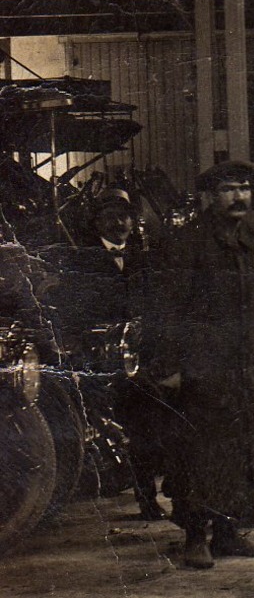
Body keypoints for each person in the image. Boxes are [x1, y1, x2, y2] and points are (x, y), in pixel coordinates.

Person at [148, 160, 254, 569]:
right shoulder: (188, 242)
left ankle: (228, 533)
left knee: (240, 446)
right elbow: (168, 308)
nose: (239, 197)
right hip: (203, 364)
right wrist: (170, 364)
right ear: (210, 196)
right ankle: (194, 537)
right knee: (199, 450)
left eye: (244, 188)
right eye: (229, 189)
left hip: (245, 362)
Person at [40, 186, 165, 519]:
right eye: (111, 217)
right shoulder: (82, 260)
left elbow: (154, 305)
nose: (120, 224)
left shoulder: (142, 258)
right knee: (111, 426)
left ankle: (147, 499)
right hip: (96, 359)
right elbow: (68, 311)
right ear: (97, 223)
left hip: (135, 357)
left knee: (144, 427)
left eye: (125, 217)